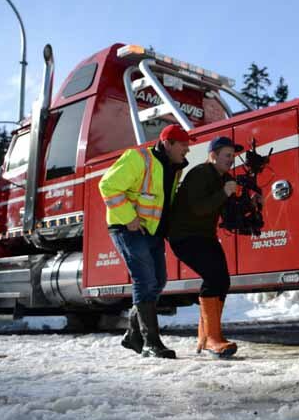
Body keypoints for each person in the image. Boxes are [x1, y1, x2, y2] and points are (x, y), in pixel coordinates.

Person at [98, 124, 191, 359]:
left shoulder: (174, 167)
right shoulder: (138, 158)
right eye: (183, 145)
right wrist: (129, 218)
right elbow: (107, 185)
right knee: (144, 279)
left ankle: (132, 334)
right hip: (127, 227)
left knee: (158, 280)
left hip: (152, 231)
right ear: (168, 143)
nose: (187, 150)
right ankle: (151, 343)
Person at [169, 136, 242, 358]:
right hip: (184, 237)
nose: (231, 160)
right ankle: (212, 339)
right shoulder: (200, 174)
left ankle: (206, 337)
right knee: (214, 279)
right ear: (213, 156)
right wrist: (225, 192)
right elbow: (199, 208)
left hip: (204, 236)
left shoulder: (223, 177)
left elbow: (227, 208)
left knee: (222, 280)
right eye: (227, 155)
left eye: (233, 156)